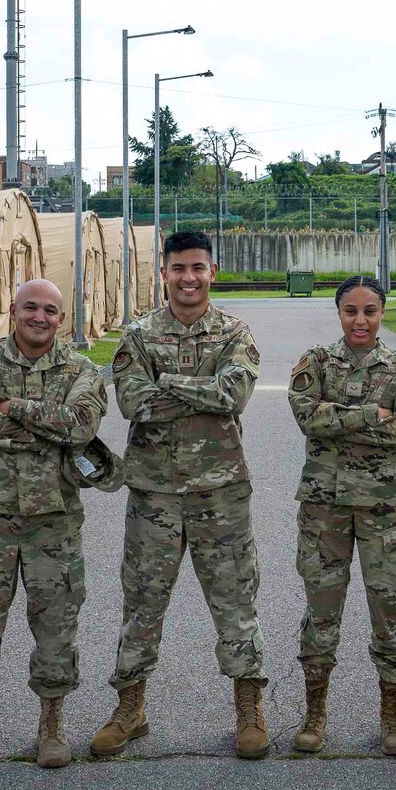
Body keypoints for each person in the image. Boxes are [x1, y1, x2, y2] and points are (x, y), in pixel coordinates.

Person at [91, 231, 269, 760]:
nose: (188, 278)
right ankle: (130, 708)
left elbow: (234, 394)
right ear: (163, 273)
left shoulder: (235, 332)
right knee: (143, 601)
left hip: (220, 490)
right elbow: (132, 404)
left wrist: (166, 380)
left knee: (235, 600)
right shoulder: (139, 334)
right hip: (155, 492)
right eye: (178, 269)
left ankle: (249, 707)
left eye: (197, 268)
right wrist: (201, 391)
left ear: (213, 271)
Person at [0, 279, 111, 774]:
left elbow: (81, 427)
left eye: (51, 310)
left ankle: (52, 727)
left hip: (53, 521)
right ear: (13, 311)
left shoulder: (82, 368)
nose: (40, 317)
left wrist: (13, 408)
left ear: (63, 319)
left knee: (56, 626)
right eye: (30, 308)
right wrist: (48, 428)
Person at [287, 274, 396, 756]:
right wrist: (374, 415)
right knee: (321, 611)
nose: (360, 320)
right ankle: (314, 712)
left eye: (370, 311)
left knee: (390, 610)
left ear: (382, 313)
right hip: (324, 507)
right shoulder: (317, 362)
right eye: (351, 310)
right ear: (339, 312)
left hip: (385, 509)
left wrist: (340, 416)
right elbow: (308, 417)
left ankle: (392, 714)